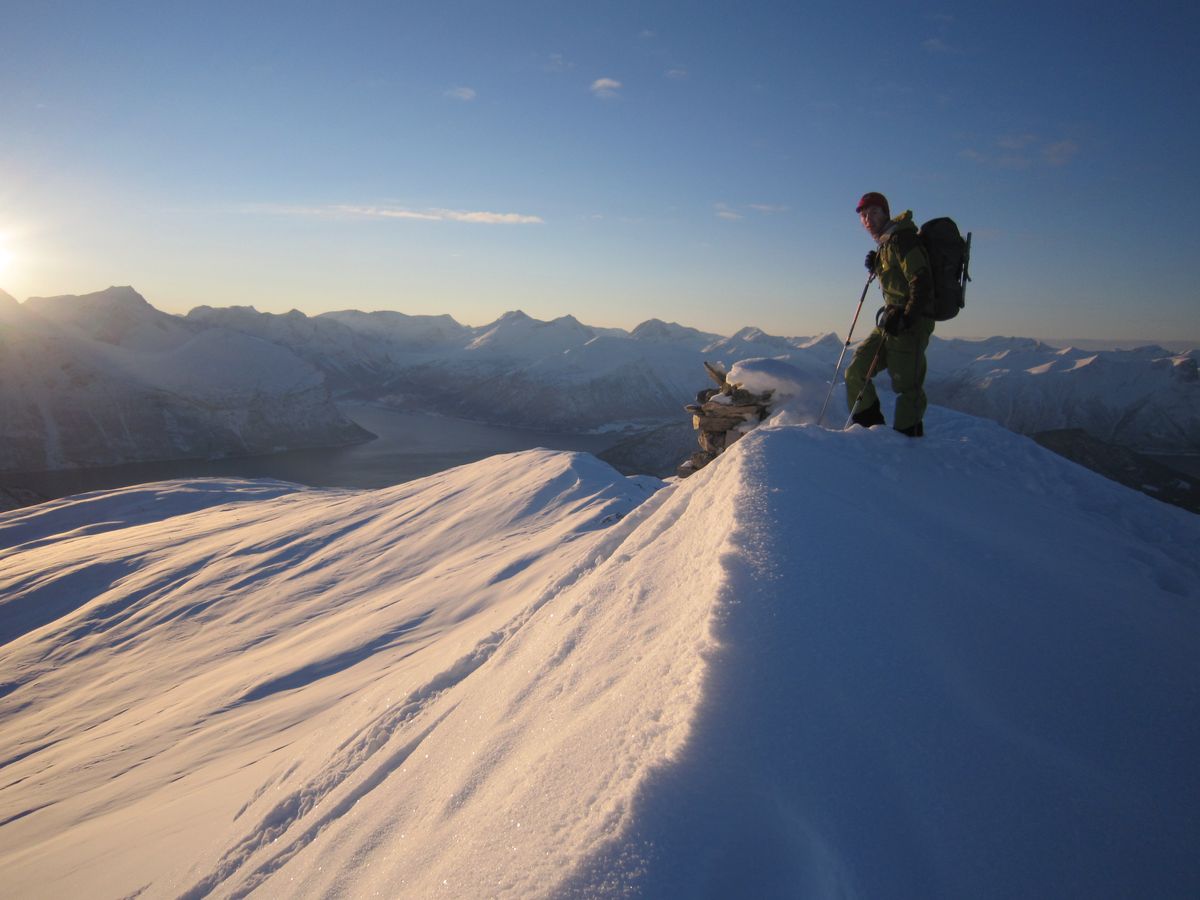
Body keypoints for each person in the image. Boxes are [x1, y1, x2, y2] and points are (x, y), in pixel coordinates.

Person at [845, 191, 935, 437]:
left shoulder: (903, 239)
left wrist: (908, 317)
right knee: (856, 371)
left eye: (873, 212)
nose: (867, 219)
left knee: (908, 386)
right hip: (890, 320)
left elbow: (921, 279)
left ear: (886, 213)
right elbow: (898, 278)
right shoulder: (887, 243)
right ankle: (871, 433)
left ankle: (909, 441)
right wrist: (878, 263)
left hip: (910, 323)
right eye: (863, 215)